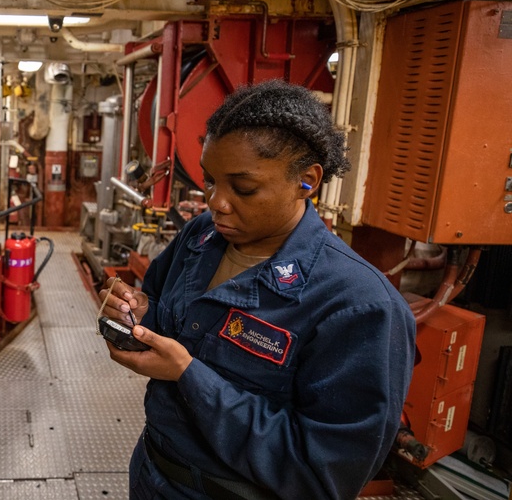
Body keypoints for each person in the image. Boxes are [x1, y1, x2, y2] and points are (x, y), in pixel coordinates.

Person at [100, 79, 416, 500]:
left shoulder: (359, 306)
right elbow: (160, 306)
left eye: (243, 189)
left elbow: (323, 472)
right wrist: (136, 312)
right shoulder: (200, 238)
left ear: (307, 181)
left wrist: (189, 375)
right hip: (152, 473)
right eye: (210, 180)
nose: (216, 202)